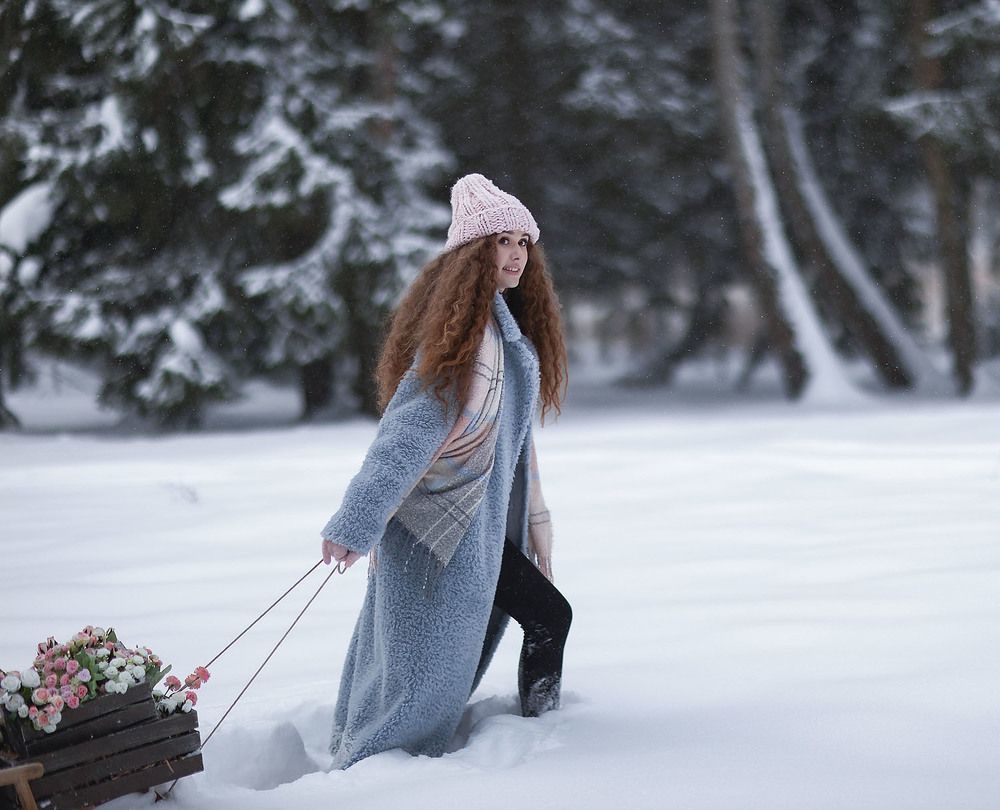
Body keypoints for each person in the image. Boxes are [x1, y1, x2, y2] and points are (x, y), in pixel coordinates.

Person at [318, 173, 572, 769]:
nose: (517, 255)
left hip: (474, 529)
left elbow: (516, 446)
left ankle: (544, 725)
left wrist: (535, 519)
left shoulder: (502, 334)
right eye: (502, 241)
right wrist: (356, 522)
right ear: (474, 255)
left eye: (522, 242)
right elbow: (404, 436)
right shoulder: (466, 343)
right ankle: (545, 737)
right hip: (443, 529)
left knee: (534, 618)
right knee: (533, 620)